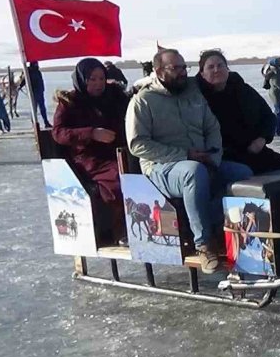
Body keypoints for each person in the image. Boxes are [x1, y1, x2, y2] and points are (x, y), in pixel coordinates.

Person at [125, 48, 254, 273]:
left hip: (201, 160)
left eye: (185, 67)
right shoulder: (143, 101)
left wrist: (213, 157)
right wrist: (184, 155)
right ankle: (204, 244)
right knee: (193, 172)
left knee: (243, 174)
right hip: (161, 169)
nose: (183, 72)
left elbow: (212, 127)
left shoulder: (193, 96)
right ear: (158, 71)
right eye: (176, 68)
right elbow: (138, 144)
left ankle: (223, 227)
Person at [53, 58, 131, 245]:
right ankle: (120, 231)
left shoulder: (115, 96)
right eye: (92, 79)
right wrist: (91, 133)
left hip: (120, 151)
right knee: (118, 180)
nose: (98, 84)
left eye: (101, 79)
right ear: (82, 79)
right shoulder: (70, 102)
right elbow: (58, 133)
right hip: (90, 159)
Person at [196, 50, 280, 174]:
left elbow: (268, 116)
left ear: (227, 68)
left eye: (220, 65)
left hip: (251, 149)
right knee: (245, 171)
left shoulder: (241, 89)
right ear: (202, 73)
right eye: (210, 67)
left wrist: (262, 139)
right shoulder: (196, 97)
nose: (216, 70)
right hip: (220, 155)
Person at [23, 62, 53, 128]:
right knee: (34, 109)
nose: (37, 65)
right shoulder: (28, 72)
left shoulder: (37, 71)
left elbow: (40, 81)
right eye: (36, 64)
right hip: (33, 93)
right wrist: (20, 86)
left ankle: (46, 122)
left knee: (42, 108)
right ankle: (34, 124)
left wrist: (42, 89)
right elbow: (24, 80)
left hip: (40, 92)